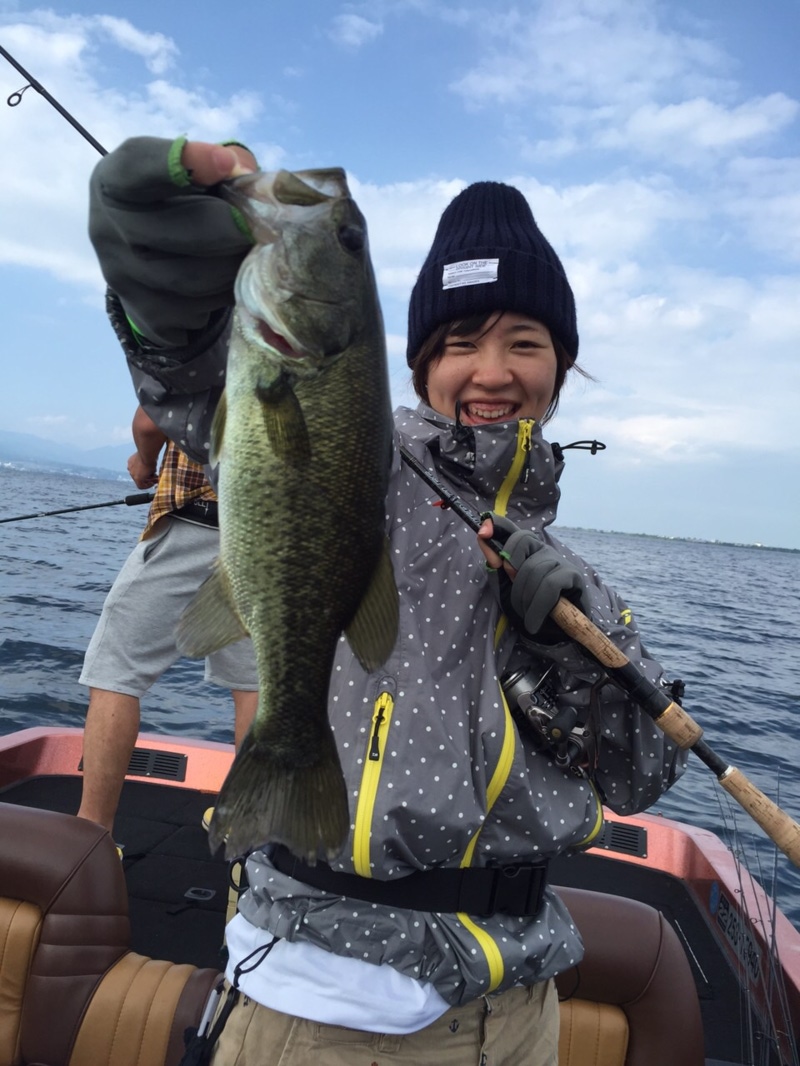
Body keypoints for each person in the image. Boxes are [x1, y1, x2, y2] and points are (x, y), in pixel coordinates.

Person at [88, 137, 688, 1065]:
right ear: (413, 366)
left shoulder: (574, 582)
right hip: (321, 1000)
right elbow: (195, 379)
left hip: (521, 1011)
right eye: (460, 342)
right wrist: (156, 277)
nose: (492, 370)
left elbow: (642, 773)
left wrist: (572, 648)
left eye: (524, 342)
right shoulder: (377, 473)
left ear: (562, 370)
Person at [77, 403, 258, 833]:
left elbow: (149, 419)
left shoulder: (204, 340)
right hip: (265, 537)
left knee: (115, 673)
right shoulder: (308, 357)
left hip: (192, 523)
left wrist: (144, 460)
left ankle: (92, 836)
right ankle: (250, 836)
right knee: (254, 688)